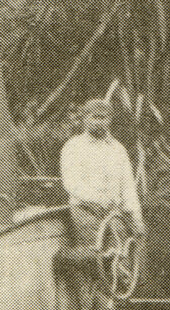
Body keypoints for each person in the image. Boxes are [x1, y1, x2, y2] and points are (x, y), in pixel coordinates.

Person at [60, 100, 146, 250]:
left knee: (122, 250)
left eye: (104, 118)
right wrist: (99, 200)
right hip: (85, 210)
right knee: (95, 254)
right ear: (85, 119)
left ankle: (121, 272)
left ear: (110, 120)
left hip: (114, 212)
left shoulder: (117, 149)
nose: (100, 122)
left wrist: (136, 217)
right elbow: (71, 183)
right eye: (95, 117)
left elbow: (128, 187)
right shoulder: (73, 146)